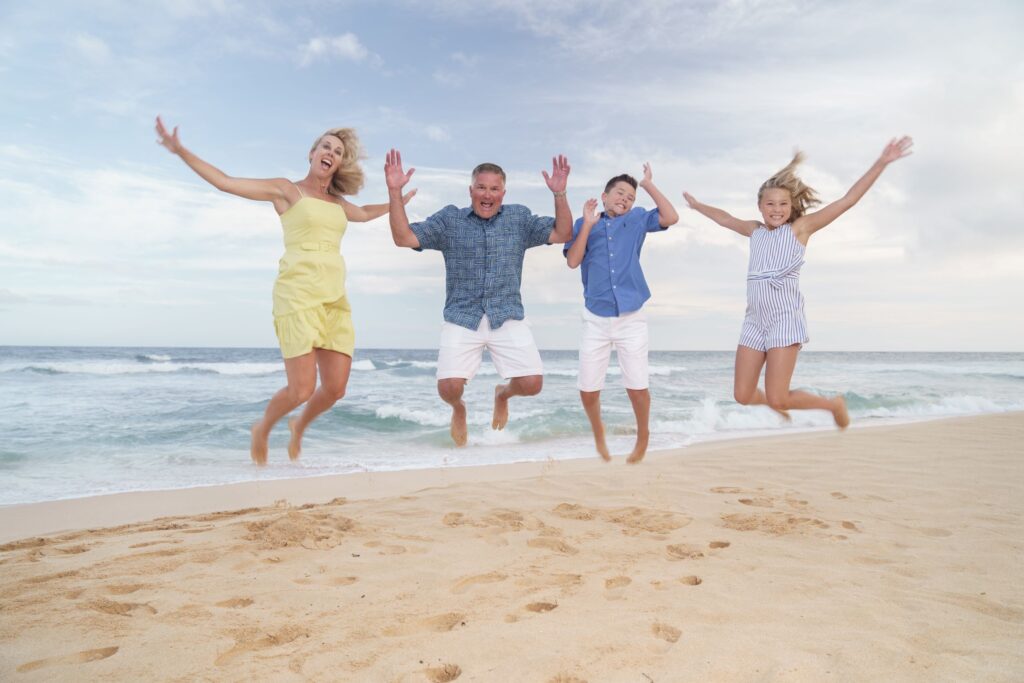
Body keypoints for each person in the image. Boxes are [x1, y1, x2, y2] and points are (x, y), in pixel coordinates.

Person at [155, 117, 414, 465]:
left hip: (334, 298)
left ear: (339, 163)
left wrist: (396, 197)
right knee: (301, 389)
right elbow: (226, 182)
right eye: (326, 146)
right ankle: (262, 428)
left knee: (336, 389)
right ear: (312, 153)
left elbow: (365, 213)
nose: (331, 153)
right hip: (297, 294)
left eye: (338, 152)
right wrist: (180, 150)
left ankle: (299, 425)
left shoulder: (338, 203)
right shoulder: (287, 190)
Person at [683, 137, 913, 428]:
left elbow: (847, 201)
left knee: (778, 398)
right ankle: (783, 403)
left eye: (782, 204)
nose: (776, 209)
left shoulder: (800, 230)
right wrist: (697, 205)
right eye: (770, 204)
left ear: (791, 207)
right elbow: (726, 219)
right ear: (760, 206)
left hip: (784, 320)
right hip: (754, 320)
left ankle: (831, 405)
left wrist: (881, 162)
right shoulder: (755, 231)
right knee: (742, 394)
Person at [383, 149, 572, 446]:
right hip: (463, 315)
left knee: (532, 384)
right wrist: (395, 191)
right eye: (481, 187)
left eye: (494, 189)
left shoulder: (519, 219)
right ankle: (459, 409)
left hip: (505, 313)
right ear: (470, 190)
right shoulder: (449, 221)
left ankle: (503, 394)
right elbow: (403, 237)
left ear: (503, 193)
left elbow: (563, 233)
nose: (487, 194)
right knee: (448, 388)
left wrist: (559, 194)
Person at [564, 165, 679, 464]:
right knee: (588, 390)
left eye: (630, 196)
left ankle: (643, 435)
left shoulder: (638, 219)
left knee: (637, 385)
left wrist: (648, 185)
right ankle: (598, 431)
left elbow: (671, 217)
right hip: (595, 318)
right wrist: (588, 225)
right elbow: (573, 262)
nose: (625, 200)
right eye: (619, 194)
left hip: (632, 316)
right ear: (604, 196)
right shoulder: (582, 224)